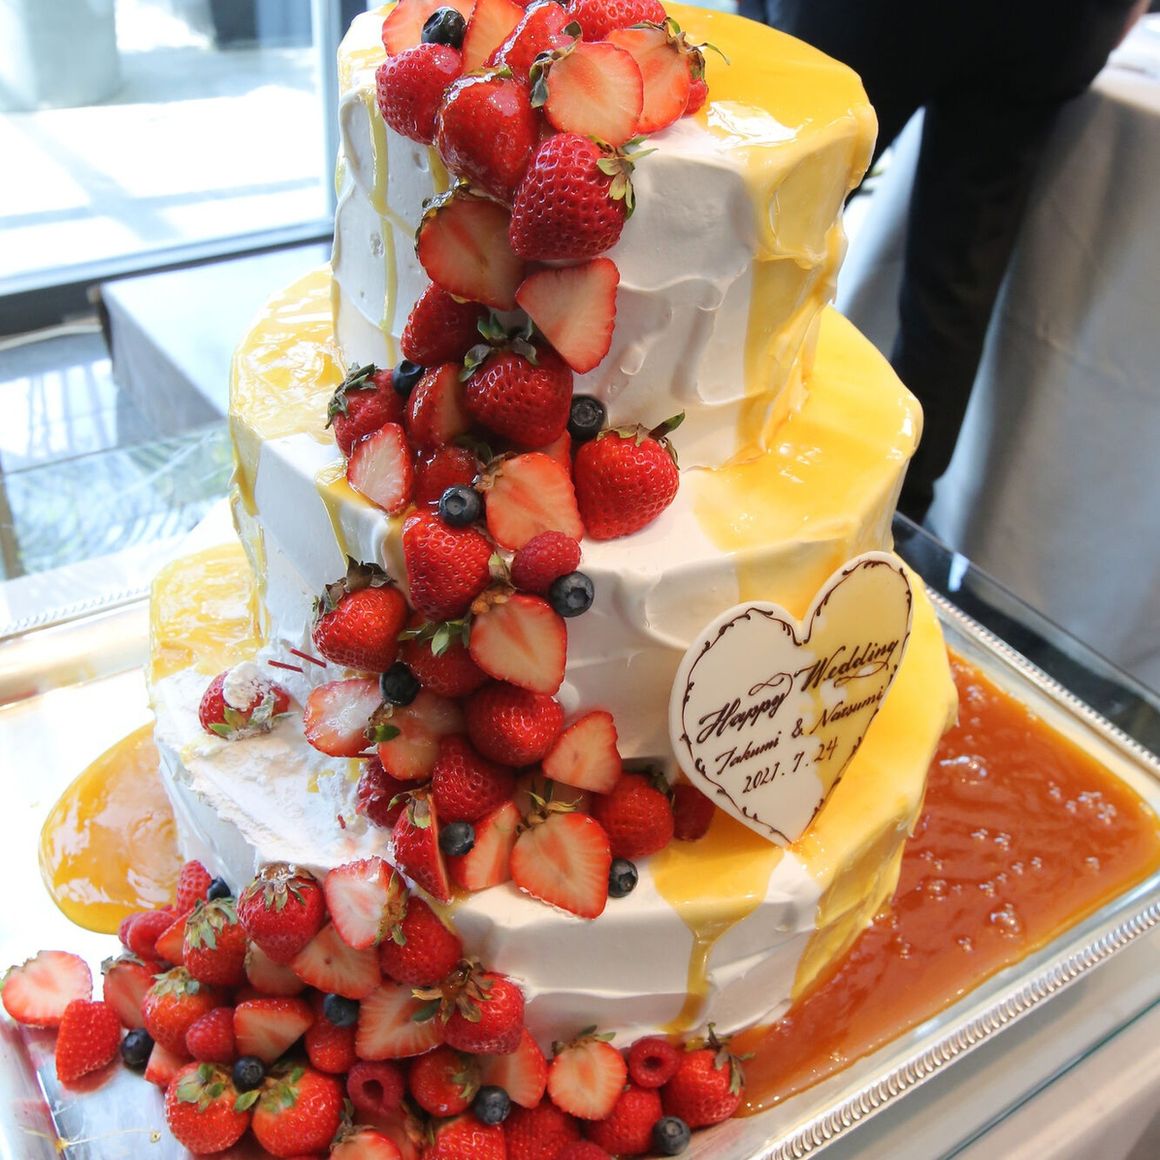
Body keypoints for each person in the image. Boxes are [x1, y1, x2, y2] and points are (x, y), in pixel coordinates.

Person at [739, 0, 1148, 522]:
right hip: (1053, 20)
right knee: (958, 278)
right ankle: (893, 514)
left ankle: (712, 458)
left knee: (763, 217)